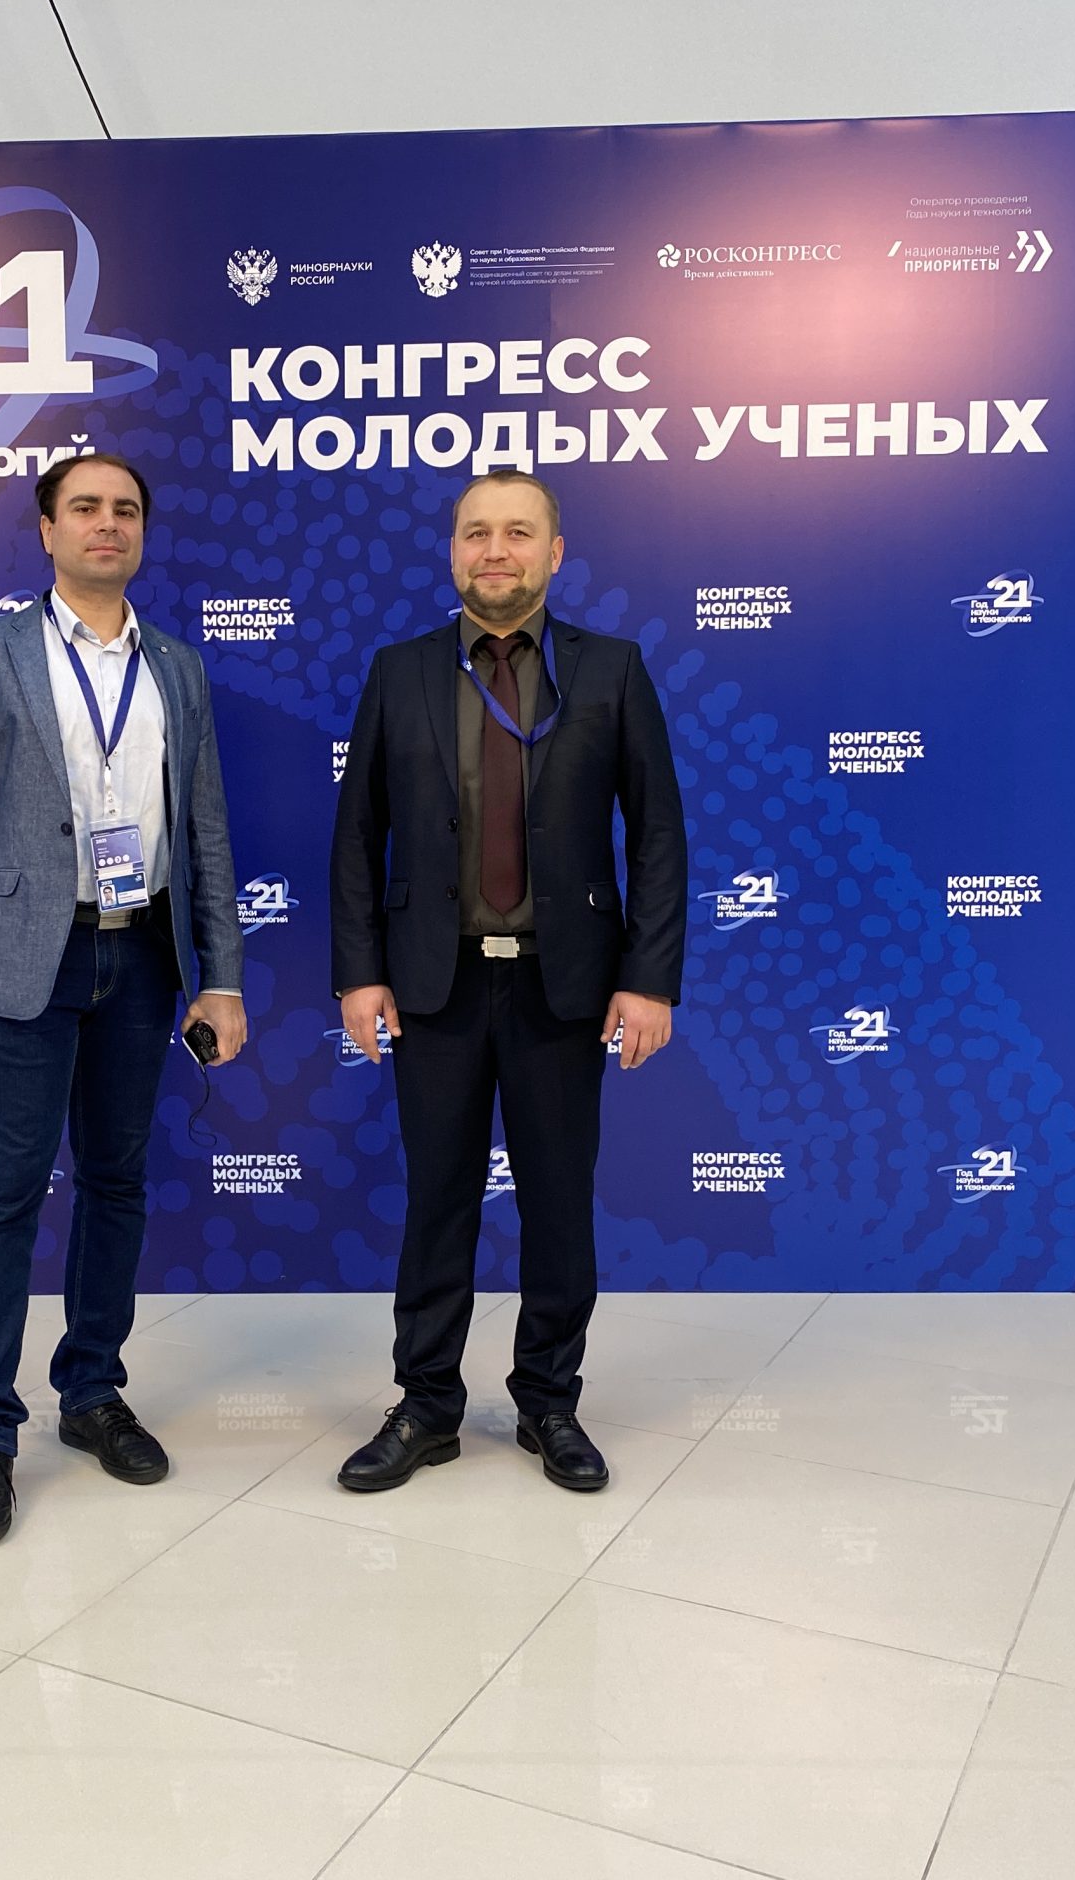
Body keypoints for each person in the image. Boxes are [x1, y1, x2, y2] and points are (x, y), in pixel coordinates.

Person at [329, 467, 687, 1493]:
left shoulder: (611, 670)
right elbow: (357, 836)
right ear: (453, 551)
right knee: (436, 1202)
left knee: (559, 1205)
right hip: (432, 987)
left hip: (562, 988)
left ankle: (548, 1403)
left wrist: (649, 979)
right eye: (477, 532)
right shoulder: (400, 671)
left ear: (554, 553)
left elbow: (657, 834)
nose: (496, 550)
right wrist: (359, 974)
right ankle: (426, 1405)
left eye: (518, 532)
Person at [0, 452, 248, 1546]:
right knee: (5, 1195)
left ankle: (92, 1391)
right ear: (47, 530)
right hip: (25, 961)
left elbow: (204, 831)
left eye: (127, 510)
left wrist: (221, 976)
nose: (109, 525)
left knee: (115, 1184)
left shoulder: (179, 667)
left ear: (142, 531)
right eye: (87, 509)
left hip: (141, 957)